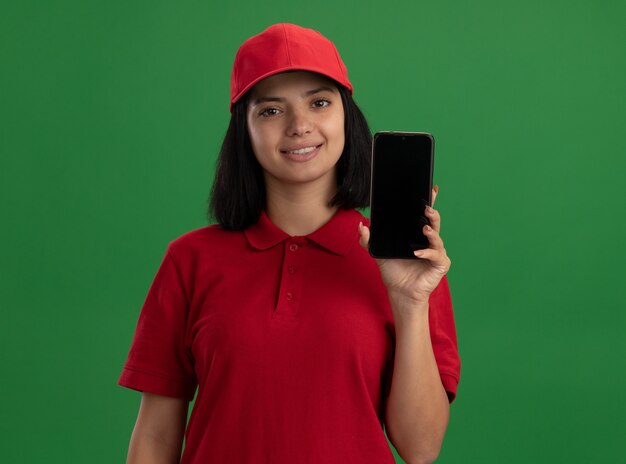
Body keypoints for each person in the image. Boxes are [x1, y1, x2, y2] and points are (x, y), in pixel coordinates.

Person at [118, 23, 460, 464]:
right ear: (244, 130)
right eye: (271, 110)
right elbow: (155, 437)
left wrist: (409, 303)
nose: (300, 126)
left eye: (319, 102)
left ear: (346, 117)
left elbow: (421, 448)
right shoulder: (190, 260)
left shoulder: (407, 262)